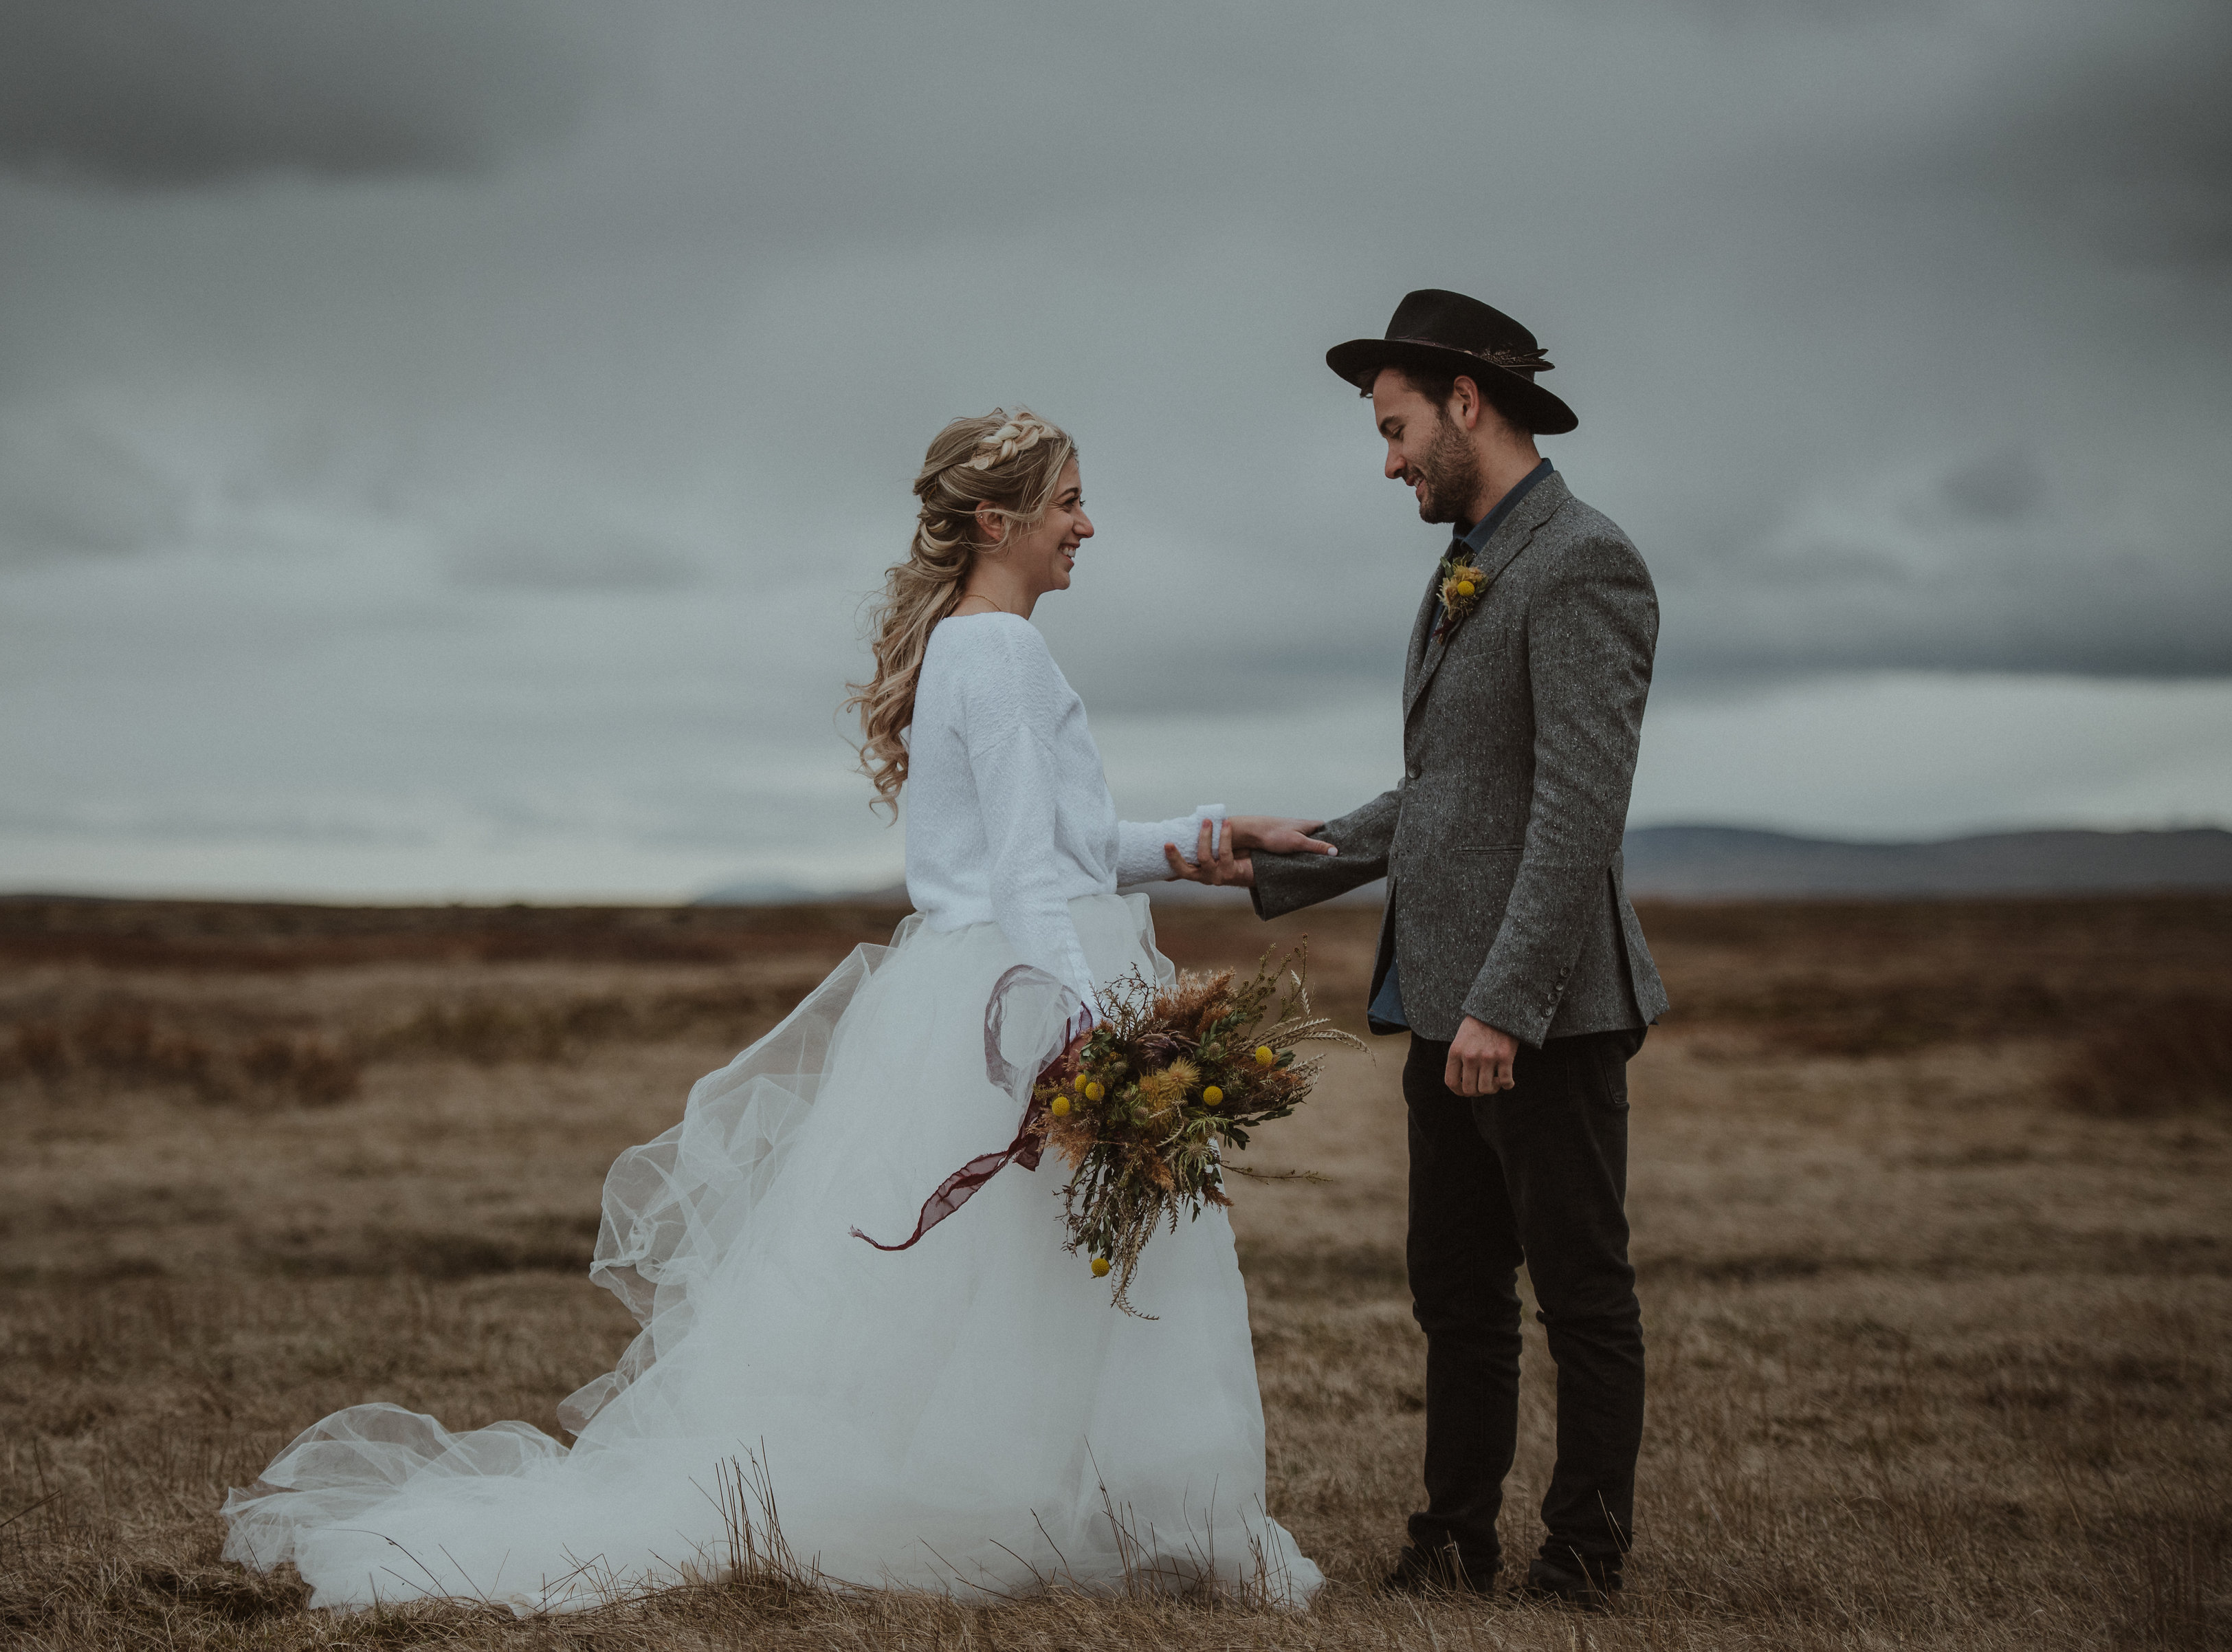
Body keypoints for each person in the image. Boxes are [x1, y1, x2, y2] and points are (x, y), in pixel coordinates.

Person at [219, 407, 1333, 1611]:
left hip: (978, 994)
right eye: (1069, 502)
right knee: (1040, 1276)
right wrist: (1092, 1032)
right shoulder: (1002, 652)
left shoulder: (974, 644)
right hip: (1025, 999)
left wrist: (1207, 841)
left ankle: (1024, 1507)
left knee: (997, 1285)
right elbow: (1026, 874)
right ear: (999, 522)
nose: (1087, 523)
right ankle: (1043, 1518)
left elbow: (1062, 845)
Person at [1168, 291, 1668, 1608]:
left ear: (1465, 403)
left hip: (1543, 1014)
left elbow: (1575, 814)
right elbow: (1450, 794)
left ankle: (1582, 1557)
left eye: (1394, 430)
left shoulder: (1583, 562)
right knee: (1455, 1297)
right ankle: (1451, 1543)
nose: (1386, 461)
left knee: (1581, 1294)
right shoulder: (1471, 562)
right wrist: (1281, 858)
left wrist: (1507, 1003)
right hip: (1444, 1004)